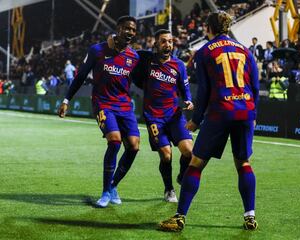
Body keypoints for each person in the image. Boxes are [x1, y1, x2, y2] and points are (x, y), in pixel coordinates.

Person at [159, 11, 259, 232]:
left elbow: (204, 90)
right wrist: (254, 116)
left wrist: (195, 121)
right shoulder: (245, 50)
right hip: (245, 110)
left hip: (220, 111)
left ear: (208, 28)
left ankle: (179, 217)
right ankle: (250, 216)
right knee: (243, 163)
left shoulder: (204, 52)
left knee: (196, 164)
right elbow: (255, 87)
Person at [58, 16, 140, 208]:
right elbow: (80, 76)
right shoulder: (97, 50)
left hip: (125, 105)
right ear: (118, 29)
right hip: (103, 103)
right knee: (114, 141)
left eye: (133, 30)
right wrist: (66, 100)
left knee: (134, 146)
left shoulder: (134, 56)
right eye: (127, 28)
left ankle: (113, 185)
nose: (130, 32)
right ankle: (105, 192)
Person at [133, 29, 194, 202]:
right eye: (163, 41)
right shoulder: (146, 61)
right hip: (154, 117)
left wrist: (188, 100)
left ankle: (182, 175)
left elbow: (185, 89)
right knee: (166, 155)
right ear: (156, 44)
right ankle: (169, 189)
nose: (167, 44)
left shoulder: (179, 65)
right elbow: (129, 56)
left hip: (174, 116)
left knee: (189, 151)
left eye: (170, 41)